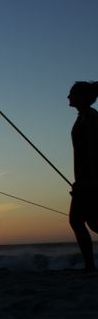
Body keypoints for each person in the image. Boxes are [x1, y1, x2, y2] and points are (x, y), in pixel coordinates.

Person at [68, 81, 98, 271]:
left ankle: (89, 266)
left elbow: (95, 151)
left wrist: (89, 182)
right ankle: (89, 266)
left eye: (72, 93)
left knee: (80, 220)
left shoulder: (90, 118)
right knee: (87, 221)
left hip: (90, 180)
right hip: (85, 179)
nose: (68, 97)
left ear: (82, 97)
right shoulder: (84, 117)